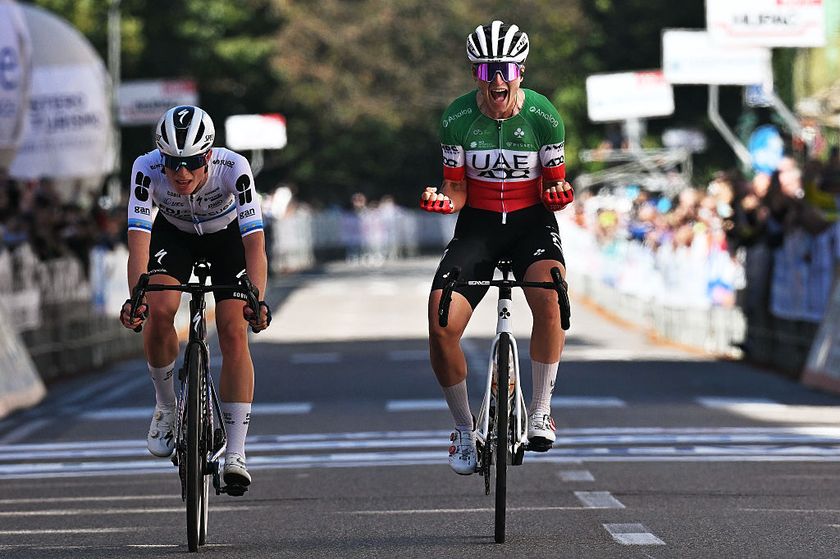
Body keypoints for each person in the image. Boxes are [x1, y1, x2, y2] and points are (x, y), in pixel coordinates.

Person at [420, 21, 574, 475]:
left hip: (531, 224)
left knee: (552, 295)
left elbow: (556, 183)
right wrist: (445, 200)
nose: (498, 80)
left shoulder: (544, 116)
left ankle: (542, 409)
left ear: (521, 71)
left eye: (506, 69)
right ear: (477, 75)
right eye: (488, 71)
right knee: (440, 321)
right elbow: (457, 187)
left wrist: (558, 195)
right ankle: (465, 431)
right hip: (480, 226)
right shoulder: (457, 117)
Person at [119, 105, 271, 490]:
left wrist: (258, 298)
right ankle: (166, 407)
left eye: (190, 163)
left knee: (235, 329)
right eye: (172, 163)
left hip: (227, 240)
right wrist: (135, 296)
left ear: (208, 156)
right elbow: (138, 239)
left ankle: (235, 453)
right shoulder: (145, 168)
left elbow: (254, 242)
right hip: (174, 236)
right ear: (160, 158)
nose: (180, 173)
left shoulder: (234, 168)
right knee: (159, 310)